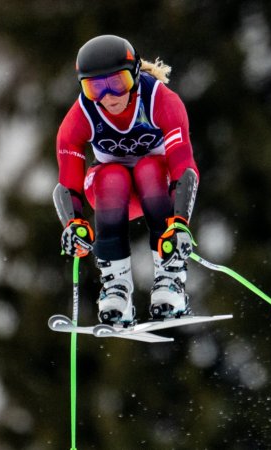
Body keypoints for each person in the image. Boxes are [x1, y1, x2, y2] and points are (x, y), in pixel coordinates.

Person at [56, 34, 199, 325]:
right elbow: (67, 181)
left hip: (159, 189)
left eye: (117, 83)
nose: (108, 97)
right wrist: (73, 223)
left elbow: (184, 167)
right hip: (112, 197)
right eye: (94, 87)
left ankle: (170, 278)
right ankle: (116, 287)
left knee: (149, 168)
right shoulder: (81, 115)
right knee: (111, 176)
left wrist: (181, 222)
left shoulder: (161, 100)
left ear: (134, 75)